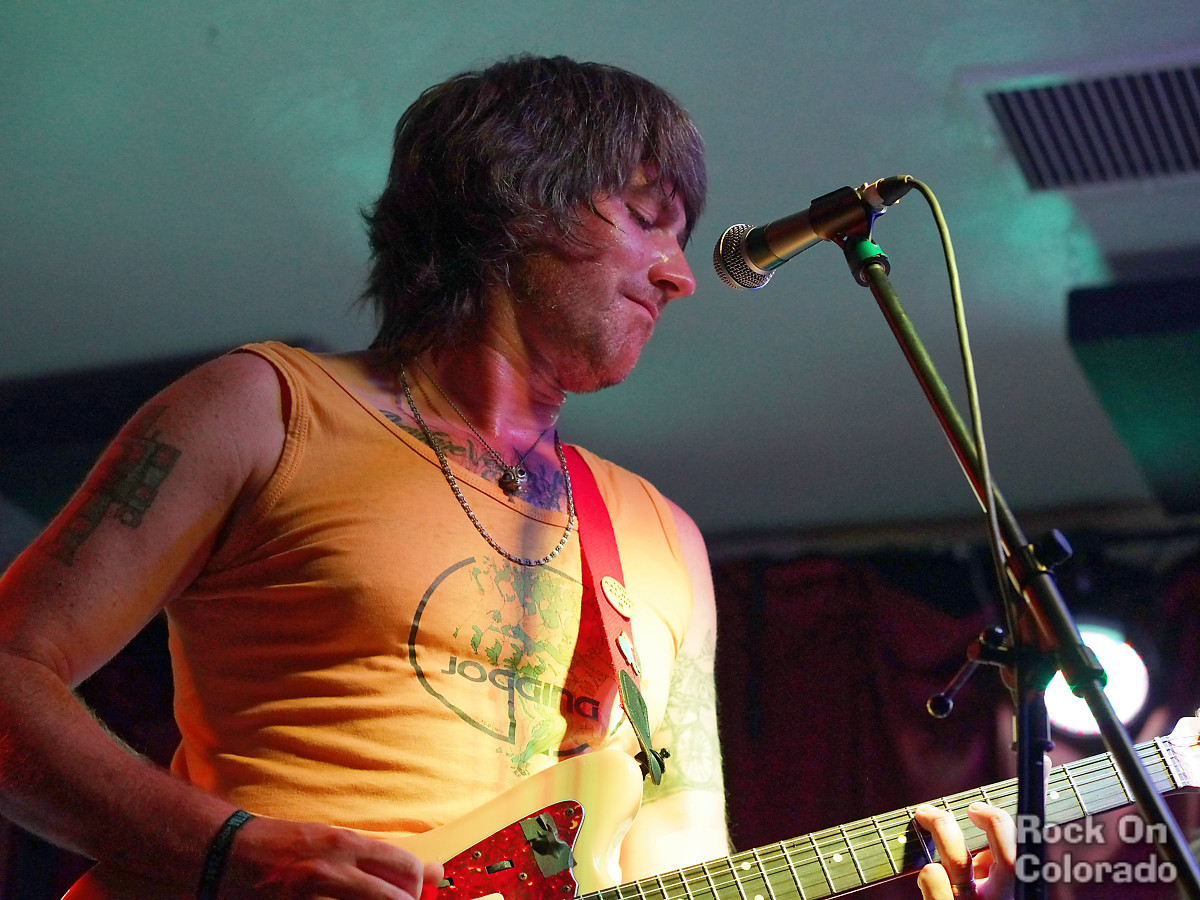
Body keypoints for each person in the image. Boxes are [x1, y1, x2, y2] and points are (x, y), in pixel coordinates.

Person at [0, 55, 1012, 900]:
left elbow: (680, 856)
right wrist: (232, 852)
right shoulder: (264, 409)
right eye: (645, 218)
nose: (680, 274)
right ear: (516, 202)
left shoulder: (661, 538)